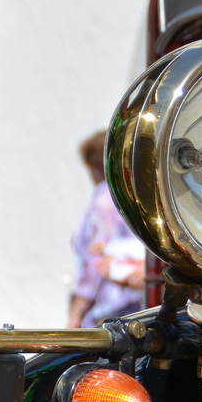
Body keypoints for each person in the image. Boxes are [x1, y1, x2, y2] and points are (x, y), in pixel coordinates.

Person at [69, 131, 147, 328]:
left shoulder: (105, 196)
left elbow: (94, 261)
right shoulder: (142, 193)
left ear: (95, 165)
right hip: (143, 304)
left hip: (112, 307)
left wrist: (76, 314)